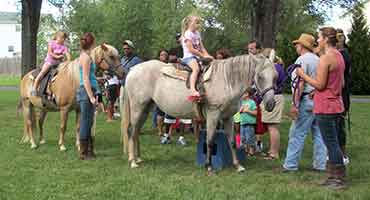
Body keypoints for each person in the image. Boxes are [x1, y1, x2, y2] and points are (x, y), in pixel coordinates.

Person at [296, 27, 346, 189]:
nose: (317, 40)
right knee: (334, 142)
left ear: (325, 39)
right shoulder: (339, 55)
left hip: (325, 107)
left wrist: (302, 75)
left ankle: (337, 179)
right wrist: (317, 91)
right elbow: (341, 83)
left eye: (319, 37)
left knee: (330, 143)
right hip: (337, 105)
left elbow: (320, 84)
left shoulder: (326, 58)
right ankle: (334, 176)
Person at [282, 33, 327, 172]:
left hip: (306, 100)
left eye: (297, 44)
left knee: (297, 133)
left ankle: (290, 165)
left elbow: (299, 84)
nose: (296, 46)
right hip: (318, 100)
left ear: (301, 46)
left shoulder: (301, 60)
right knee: (319, 134)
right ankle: (320, 165)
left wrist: (295, 104)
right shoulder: (319, 59)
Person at [260, 49, 286, 160]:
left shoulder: (274, 67)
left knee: (272, 127)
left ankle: (274, 153)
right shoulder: (278, 67)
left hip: (273, 97)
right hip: (274, 97)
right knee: (271, 126)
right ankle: (272, 150)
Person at [181, 15, 213, 100]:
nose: (199, 25)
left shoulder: (197, 33)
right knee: (196, 69)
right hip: (189, 57)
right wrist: (203, 56)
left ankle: (204, 88)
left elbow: (202, 47)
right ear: (190, 23)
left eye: (199, 23)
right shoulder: (187, 34)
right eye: (197, 22)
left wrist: (208, 55)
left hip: (197, 57)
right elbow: (191, 49)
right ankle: (192, 89)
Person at [77, 32, 98, 160]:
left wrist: (98, 79)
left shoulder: (84, 56)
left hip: (88, 90)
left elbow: (88, 76)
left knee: (88, 121)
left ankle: (89, 150)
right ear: (92, 43)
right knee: (86, 121)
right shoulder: (86, 57)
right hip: (86, 92)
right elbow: (85, 78)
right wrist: (91, 96)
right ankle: (84, 152)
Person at [246, 40, 266, 152]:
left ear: (258, 49)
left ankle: (258, 143)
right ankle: (246, 144)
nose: (250, 51)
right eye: (248, 49)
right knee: (245, 121)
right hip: (246, 93)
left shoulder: (262, 61)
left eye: (252, 49)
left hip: (257, 94)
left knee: (257, 120)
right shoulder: (247, 61)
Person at [336, 28, 352, 165]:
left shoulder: (343, 55)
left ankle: (343, 154)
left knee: (339, 125)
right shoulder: (341, 54)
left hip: (341, 95)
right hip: (339, 94)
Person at [239, 88, 257, 156]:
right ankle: (245, 150)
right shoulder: (241, 102)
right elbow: (239, 112)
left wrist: (247, 111)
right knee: (243, 138)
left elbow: (255, 113)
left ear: (247, 94)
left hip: (249, 124)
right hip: (242, 123)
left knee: (250, 138)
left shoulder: (251, 102)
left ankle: (251, 150)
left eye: (242, 93)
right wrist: (240, 111)